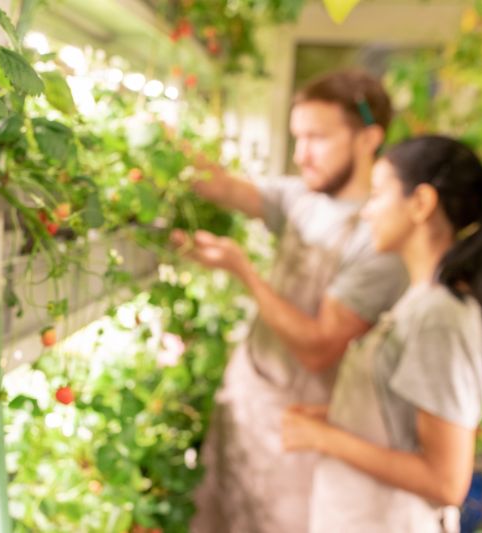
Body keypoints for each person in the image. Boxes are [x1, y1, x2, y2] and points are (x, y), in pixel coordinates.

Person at [172, 69, 410, 533]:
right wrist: (157, 138)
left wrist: (244, 272)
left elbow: (318, 347)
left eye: (317, 138)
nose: (301, 154)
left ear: (368, 139)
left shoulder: (378, 237)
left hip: (301, 431)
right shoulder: (301, 198)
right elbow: (222, 186)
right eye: (297, 136)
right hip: (247, 403)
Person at [281, 135, 482, 532]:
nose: (367, 213)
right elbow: (405, 428)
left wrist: (324, 436)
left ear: (421, 203)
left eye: (378, 195)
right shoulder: (419, 301)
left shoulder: (441, 316)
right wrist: (335, 418)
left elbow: (446, 481)